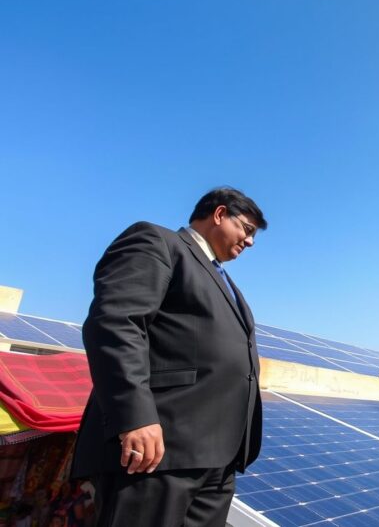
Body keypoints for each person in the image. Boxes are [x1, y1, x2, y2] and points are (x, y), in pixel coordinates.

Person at [71, 187, 267, 526]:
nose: (250, 242)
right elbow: (116, 323)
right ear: (219, 214)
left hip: (217, 461)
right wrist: (135, 417)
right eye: (247, 229)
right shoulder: (157, 243)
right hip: (158, 452)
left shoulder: (229, 284)